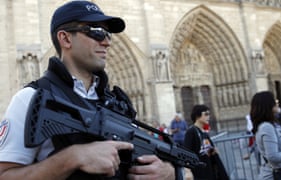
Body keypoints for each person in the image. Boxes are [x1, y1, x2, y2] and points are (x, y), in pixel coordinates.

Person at [0, 1, 178, 179]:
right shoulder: (31, 99)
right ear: (65, 39)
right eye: (97, 32)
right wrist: (72, 158)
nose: (107, 42)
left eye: (108, 34)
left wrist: (167, 172)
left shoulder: (118, 102)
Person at [251, 91, 281, 180]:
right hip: (277, 175)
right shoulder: (266, 127)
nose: (277, 102)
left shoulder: (264, 125)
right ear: (267, 105)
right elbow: (273, 157)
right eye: (274, 101)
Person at [183, 105, 229, 180]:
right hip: (199, 173)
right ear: (198, 116)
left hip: (210, 172)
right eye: (206, 114)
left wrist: (213, 151)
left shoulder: (204, 133)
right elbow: (186, 152)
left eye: (209, 114)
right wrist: (188, 171)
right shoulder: (191, 132)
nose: (209, 117)